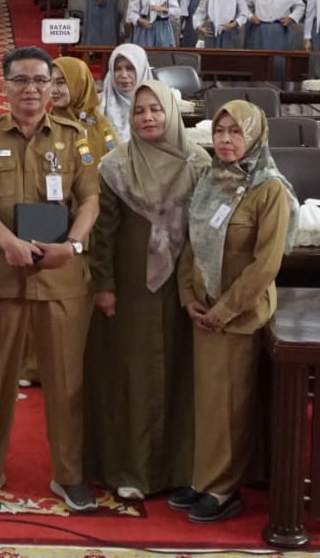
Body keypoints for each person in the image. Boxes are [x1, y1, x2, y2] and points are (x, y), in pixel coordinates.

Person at [0, 46, 100, 514]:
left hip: (61, 278)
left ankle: (69, 475)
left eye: (42, 80)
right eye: (21, 80)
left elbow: (90, 200)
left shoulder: (75, 136)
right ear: (5, 85)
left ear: (52, 85)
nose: (33, 89)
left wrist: (74, 245)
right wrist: (6, 243)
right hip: (1, 275)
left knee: (66, 382)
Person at [86, 81, 209, 501]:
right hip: (130, 289)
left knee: (180, 375)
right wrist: (103, 285)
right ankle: (130, 469)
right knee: (132, 379)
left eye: (156, 109)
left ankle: (181, 469)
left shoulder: (199, 163)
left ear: (171, 112)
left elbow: (210, 232)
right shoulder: (115, 165)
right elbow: (102, 233)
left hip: (184, 288)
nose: (148, 118)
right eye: (139, 111)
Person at [175, 100, 295, 523]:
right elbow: (192, 240)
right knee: (207, 401)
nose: (225, 140)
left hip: (240, 315)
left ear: (255, 136)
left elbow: (266, 264)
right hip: (203, 308)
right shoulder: (211, 178)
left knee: (231, 404)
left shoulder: (270, 189)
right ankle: (204, 477)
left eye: (235, 132)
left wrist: (224, 311)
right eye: (220, 131)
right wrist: (188, 295)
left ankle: (225, 490)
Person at [99, 43, 153, 145]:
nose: (124, 75)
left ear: (141, 70)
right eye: (117, 69)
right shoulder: (97, 105)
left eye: (130, 68)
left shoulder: (159, 105)